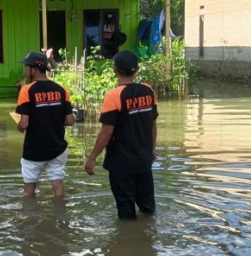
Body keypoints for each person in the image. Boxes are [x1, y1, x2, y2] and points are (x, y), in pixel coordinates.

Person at [84, 50, 158, 219]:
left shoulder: (113, 96)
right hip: (144, 159)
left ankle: (126, 242)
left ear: (114, 69)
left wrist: (92, 158)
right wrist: (152, 149)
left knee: (126, 211)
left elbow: (107, 131)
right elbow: (152, 124)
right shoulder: (148, 91)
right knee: (148, 208)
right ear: (137, 69)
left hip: (121, 162)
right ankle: (147, 239)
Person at [15, 51, 75, 198]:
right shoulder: (61, 90)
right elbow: (69, 120)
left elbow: (23, 124)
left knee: (29, 189)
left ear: (34, 69)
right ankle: (61, 215)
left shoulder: (26, 90)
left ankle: (29, 218)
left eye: (26, 66)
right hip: (57, 148)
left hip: (34, 149)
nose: (24, 70)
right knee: (58, 184)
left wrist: (19, 126)